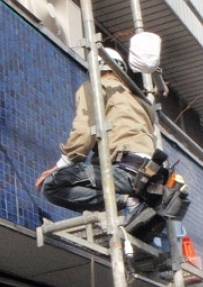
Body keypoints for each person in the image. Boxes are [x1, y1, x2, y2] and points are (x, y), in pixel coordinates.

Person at [35, 47, 156, 211]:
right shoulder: (141, 102)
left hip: (123, 171)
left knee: (52, 186)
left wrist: (61, 166)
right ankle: (128, 201)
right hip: (148, 176)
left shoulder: (95, 87)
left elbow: (84, 132)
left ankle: (126, 201)